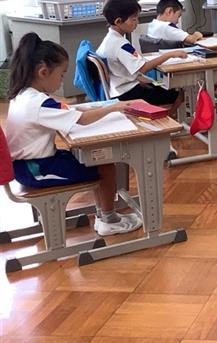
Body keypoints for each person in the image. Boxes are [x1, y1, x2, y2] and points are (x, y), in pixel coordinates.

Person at [5, 33, 142, 236]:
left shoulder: (25, 95)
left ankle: (104, 214)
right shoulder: (39, 104)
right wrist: (113, 108)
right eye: (61, 75)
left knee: (96, 159)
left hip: (30, 164)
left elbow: (67, 111)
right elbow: (81, 119)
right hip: (35, 169)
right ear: (43, 72)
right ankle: (108, 220)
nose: (62, 81)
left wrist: (102, 107)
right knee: (105, 167)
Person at [97, 0, 187, 113]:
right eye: (134, 19)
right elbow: (143, 68)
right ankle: (167, 117)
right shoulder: (121, 45)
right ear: (118, 21)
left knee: (156, 84)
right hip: (127, 94)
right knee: (178, 92)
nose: (137, 22)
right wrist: (170, 54)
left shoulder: (109, 40)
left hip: (118, 89)